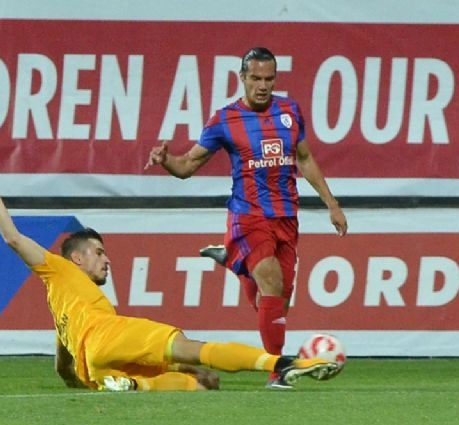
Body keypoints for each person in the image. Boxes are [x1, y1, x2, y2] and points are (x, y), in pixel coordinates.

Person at [0, 158, 339, 392]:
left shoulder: (63, 307)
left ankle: (131, 385)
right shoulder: (59, 267)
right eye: (98, 253)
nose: (106, 260)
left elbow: (65, 372)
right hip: (108, 335)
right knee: (196, 350)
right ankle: (284, 364)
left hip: (95, 366)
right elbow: (12, 237)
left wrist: (85, 378)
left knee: (197, 385)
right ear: (76, 258)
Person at [145, 47, 348, 390]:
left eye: (269, 78)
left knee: (277, 300)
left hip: (286, 217)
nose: (263, 85)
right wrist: (167, 160)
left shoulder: (290, 111)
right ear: (242, 77)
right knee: (271, 282)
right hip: (248, 216)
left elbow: (305, 158)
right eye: (255, 78)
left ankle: (234, 261)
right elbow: (188, 165)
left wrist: (332, 204)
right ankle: (278, 372)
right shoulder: (225, 119)